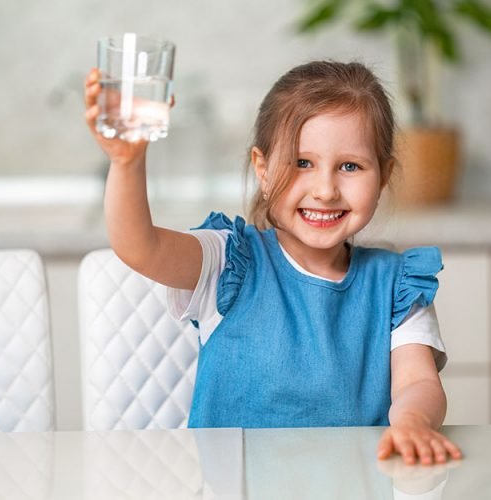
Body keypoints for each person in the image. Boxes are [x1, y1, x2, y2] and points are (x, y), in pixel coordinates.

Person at [84, 60, 463, 465]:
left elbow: (419, 381)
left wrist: (413, 421)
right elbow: (140, 247)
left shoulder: (397, 285)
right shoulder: (229, 263)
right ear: (262, 170)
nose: (325, 189)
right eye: (302, 163)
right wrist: (127, 163)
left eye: (350, 166)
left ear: (383, 175)